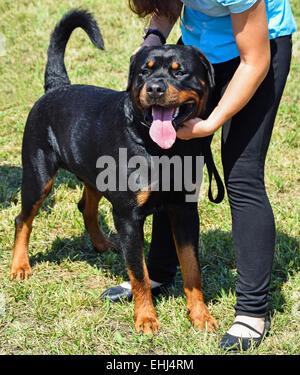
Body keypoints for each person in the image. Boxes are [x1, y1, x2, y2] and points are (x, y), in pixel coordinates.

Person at [101, 0, 297, 350]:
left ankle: (252, 312)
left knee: (242, 174)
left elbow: (255, 60)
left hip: (254, 53)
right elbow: (167, 4)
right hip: (199, 50)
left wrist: (211, 122)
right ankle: (160, 273)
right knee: (170, 165)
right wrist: (153, 37)